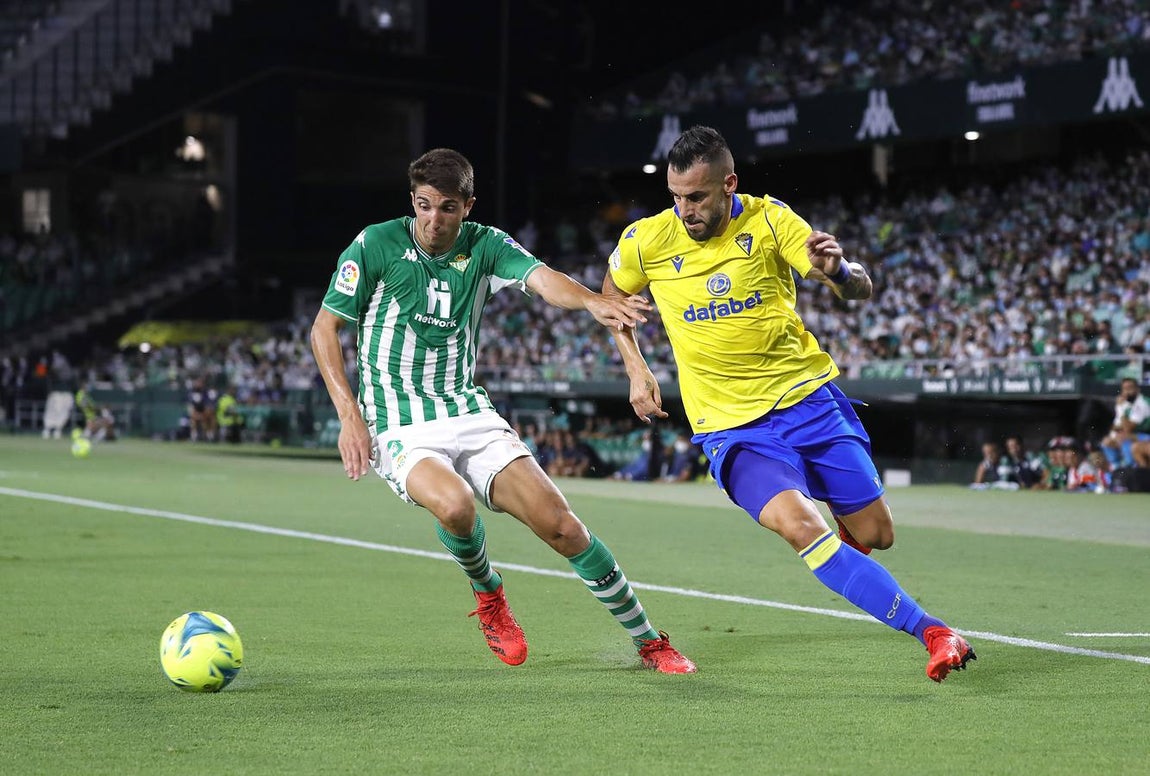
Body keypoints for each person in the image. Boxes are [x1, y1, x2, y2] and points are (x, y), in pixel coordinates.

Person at [601, 125, 974, 682]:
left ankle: (848, 540)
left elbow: (857, 287)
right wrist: (636, 367)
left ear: (729, 184)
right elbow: (611, 296)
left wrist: (840, 272)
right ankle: (935, 633)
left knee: (878, 535)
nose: (684, 210)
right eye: (676, 197)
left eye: (697, 197)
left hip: (806, 400)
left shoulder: (771, 220)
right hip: (731, 428)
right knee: (802, 528)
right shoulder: (646, 240)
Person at [310, 147, 694, 673]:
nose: (433, 219)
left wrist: (590, 300)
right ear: (412, 201)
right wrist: (350, 415)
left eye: (447, 207)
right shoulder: (376, 243)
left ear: (467, 206)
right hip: (398, 421)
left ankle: (649, 641)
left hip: (467, 409)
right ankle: (489, 591)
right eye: (424, 205)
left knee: (562, 526)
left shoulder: (486, 245)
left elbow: (542, 278)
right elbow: (324, 328)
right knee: (455, 505)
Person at [1099, 378, 1150, 469]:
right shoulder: (1126, 403)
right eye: (1125, 389)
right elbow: (1117, 425)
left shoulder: (1142, 403)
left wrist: (1120, 408)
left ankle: (1130, 467)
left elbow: (1127, 428)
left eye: (1130, 388)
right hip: (1133, 434)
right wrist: (1113, 434)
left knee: (1125, 439)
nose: (1127, 391)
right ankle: (1116, 468)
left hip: (1146, 435)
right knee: (1106, 442)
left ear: (1137, 389)